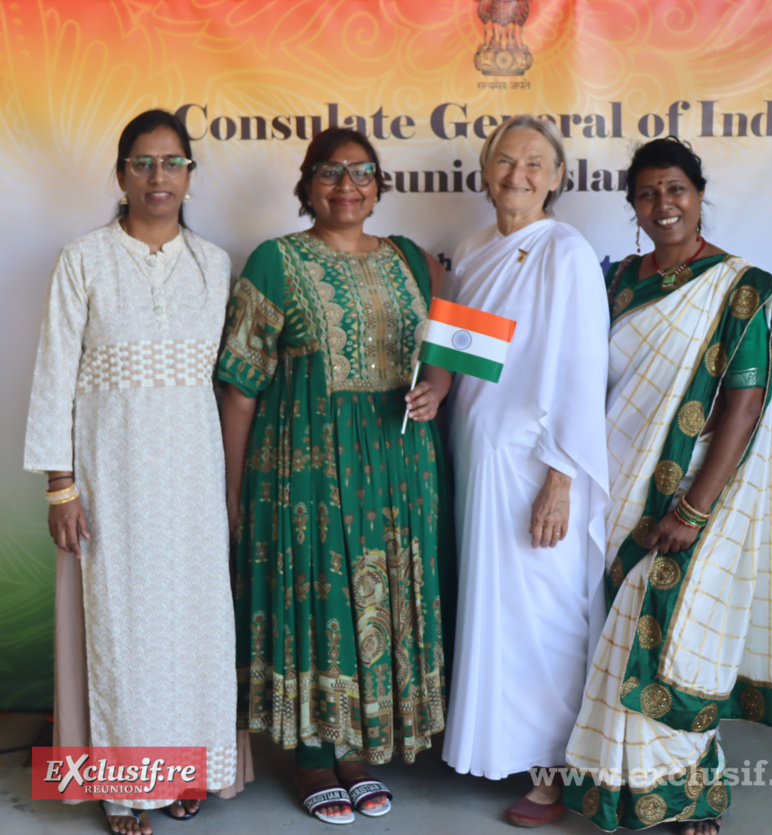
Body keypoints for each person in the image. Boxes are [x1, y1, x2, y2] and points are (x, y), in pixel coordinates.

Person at [561, 137, 772, 834]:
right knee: (613, 638)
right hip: (612, 486)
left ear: (698, 194)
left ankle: (689, 798)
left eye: (674, 189)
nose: (661, 204)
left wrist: (694, 506)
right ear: (631, 206)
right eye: (646, 193)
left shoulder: (739, 289)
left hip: (692, 497)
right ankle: (615, 789)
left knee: (670, 640)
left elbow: (742, 403)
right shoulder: (616, 283)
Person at [219, 127, 452, 825]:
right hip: (304, 473)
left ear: (379, 185)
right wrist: (229, 494)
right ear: (306, 185)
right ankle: (315, 756)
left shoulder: (413, 260)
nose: (346, 185)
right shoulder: (274, 262)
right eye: (329, 172)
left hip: (398, 470)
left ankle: (358, 751)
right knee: (318, 603)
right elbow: (238, 388)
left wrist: (436, 388)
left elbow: (441, 353)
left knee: (379, 604)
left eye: (360, 173)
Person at [23, 109, 239, 835]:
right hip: (110, 477)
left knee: (194, 628)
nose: (158, 176)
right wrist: (61, 484)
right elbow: (55, 376)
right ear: (120, 175)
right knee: (122, 627)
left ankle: (188, 771)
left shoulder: (214, 265)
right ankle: (123, 786)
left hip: (190, 478)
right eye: (143, 163)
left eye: (172, 162)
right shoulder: (82, 259)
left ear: (188, 175)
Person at [440, 114, 610, 827]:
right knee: (496, 612)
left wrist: (561, 477)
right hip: (477, 458)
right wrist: (430, 387)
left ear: (558, 177)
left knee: (547, 613)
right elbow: (463, 363)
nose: (518, 174)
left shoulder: (565, 252)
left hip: (539, 465)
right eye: (505, 160)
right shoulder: (471, 248)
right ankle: (505, 746)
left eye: (535, 163)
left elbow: (577, 369)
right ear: (484, 171)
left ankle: (555, 769)